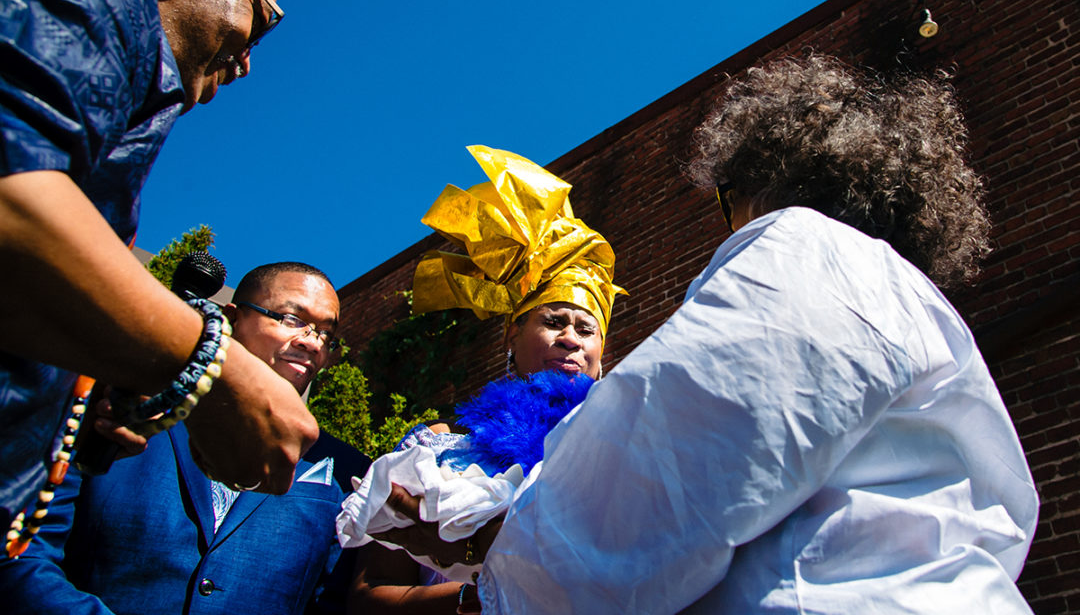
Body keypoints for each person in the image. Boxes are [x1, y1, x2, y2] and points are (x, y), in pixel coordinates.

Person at [378, 57, 1039, 613]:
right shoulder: (914, 304)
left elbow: (667, 470)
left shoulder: (804, 248)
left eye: (724, 199)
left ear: (753, 178)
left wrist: (487, 565)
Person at [0, 0, 315, 544]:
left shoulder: (124, 107)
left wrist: (71, 410)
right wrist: (207, 367)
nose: (249, 61)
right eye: (260, 20)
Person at [0, 262, 373, 614]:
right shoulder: (122, 408)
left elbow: (333, 603)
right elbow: (23, 552)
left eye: (327, 334)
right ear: (230, 319)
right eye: (293, 319)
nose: (313, 343)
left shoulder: (345, 470)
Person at [344, 145, 625, 614]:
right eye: (554, 321)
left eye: (585, 328)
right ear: (512, 336)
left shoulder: (626, 438)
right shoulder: (439, 452)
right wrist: (480, 598)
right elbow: (369, 596)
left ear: (602, 354)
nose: (570, 339)